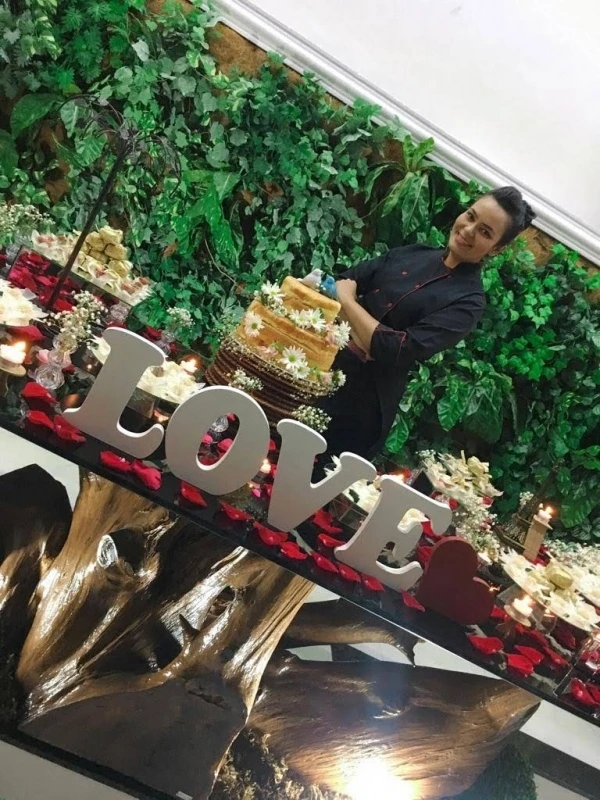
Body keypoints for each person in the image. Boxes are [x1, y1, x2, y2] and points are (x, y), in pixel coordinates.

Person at [317, 186, 535, 469]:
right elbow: (342, 281)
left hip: (359, 408)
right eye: (470, 216)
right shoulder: (414, 253)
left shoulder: (468, 302)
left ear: (497, 249)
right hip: (319, 367)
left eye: (485, 232)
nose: (469, 230)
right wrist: (367, 333)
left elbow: (395, 349)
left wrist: (349, 302)